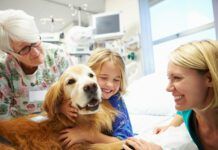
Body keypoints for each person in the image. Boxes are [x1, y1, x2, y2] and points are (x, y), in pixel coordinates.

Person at [123, 40, 218, 150]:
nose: (168, 88)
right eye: (169, 79)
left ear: (209, 78)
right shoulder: (189, 113)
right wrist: (170, 126)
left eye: (177, 78)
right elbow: (181, 113)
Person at [0, 9, 73, 119]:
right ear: (10, 53)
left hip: (60, 122)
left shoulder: (58, 56)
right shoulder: (4, 70)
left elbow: (75, 96)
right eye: (24, 49)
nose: (35, 52)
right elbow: (3, 119)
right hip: (22, 128)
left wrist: (59, 109)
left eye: (34, 41)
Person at [59, 48, 134, 148]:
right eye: (103, 78)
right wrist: (61, 108)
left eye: (116, 80)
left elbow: (125, 141)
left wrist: (87, 135)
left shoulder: (116, 100)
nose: (110, 85)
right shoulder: (78, 95)